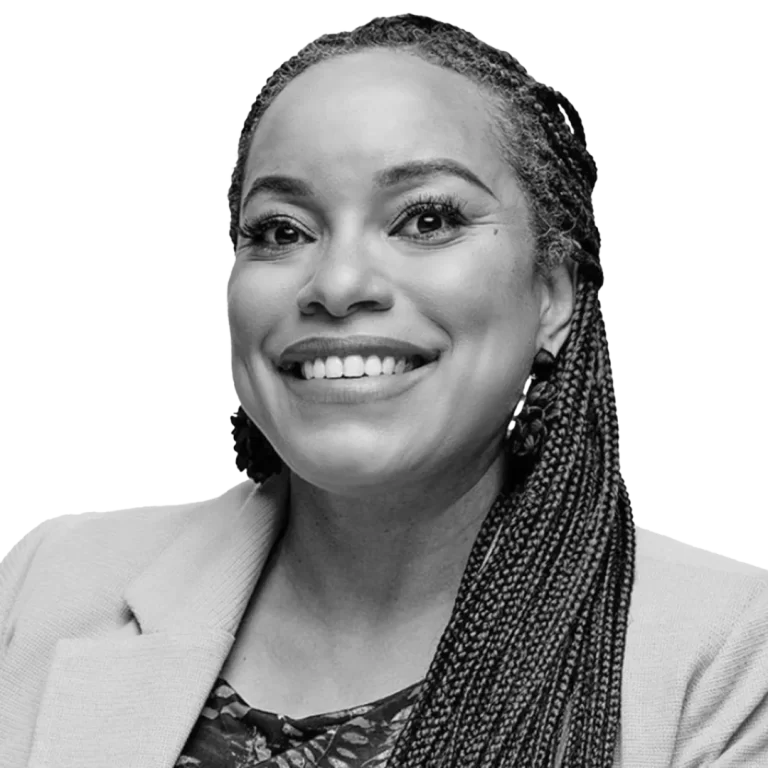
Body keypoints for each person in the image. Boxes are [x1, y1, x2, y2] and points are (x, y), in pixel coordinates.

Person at [1, 13, 765, 768]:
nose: (337, 284)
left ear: (553, 297)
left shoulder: (732, 651)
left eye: (426, 219)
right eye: (281, 230)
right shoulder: (45, 581)